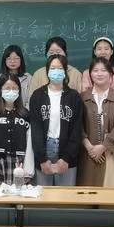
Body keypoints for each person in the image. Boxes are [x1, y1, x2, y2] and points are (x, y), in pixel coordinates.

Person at [29, 54, 83, 186]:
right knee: (43, 194)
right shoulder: (37, 96)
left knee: (65, 195)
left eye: (60, 68)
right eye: (53, 68)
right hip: (44, 149)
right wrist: (42, 158)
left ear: (65, 71)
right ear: (47, 71)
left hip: (66, 150)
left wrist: (67, 158)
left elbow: (76, 129)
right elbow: (35, 129)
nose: (56, 72)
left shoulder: (74, 97)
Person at [77, 57, 114, 187]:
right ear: (90, 75)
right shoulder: (82, 97)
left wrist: (103, 146)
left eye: (104, 70)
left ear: (110, 74)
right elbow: (77, 125)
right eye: (95, 71)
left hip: (112, 152)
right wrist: (90, 147)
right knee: (88, 190)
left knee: (111, 191)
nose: (99, 74)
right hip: (87, 152)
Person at [0, 74, 34, 185]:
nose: (11, 91)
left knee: (19, 194)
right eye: (7, 88)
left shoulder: (25, 114)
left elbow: (30, 143)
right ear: (0, 90)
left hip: (20, 164)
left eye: (14, 88)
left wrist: (28, 171)